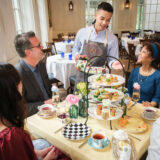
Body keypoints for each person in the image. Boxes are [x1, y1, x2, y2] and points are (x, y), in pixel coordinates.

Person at [0, 63, 57, 160]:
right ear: (15, 89)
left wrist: (37, 153)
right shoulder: (11, 137)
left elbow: (16, 152)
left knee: (45, 144)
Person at [72, 2, 122, 87]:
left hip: (100, 78)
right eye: (102, 18)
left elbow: (112, 60)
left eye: (108, 20)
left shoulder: (113, 39)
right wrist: (76, 55)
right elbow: (75, 49)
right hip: (81, 75)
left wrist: (114, 64)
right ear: (95, 15)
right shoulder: (82, 33)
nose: (104, 23)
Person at [15, 31, 52, 116]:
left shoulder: (41, 65)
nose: (42, 47)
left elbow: (48, 90)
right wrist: (44, 104)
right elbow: (19, 108)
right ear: (28, 52)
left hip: (51, 111)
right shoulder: (17, 74)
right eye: (39, 46)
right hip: (35, 116)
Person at [127, 42, 160, 107]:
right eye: (140, 51)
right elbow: (128, 91)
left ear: (152, 58)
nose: (139, 53)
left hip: (147, 111)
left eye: (144, 52)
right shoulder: (134, 71)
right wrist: (129, 98)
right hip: (132, 107)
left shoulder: (157, 75)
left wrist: (150, 104)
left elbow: (157, 97)